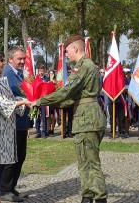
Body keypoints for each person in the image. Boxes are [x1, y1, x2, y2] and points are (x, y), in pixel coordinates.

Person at [32, 35, 107, 203]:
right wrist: (51, 104)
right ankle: (87, 196)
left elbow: (66, 91)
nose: (65, 55)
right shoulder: (89, 66)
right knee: (84, 161)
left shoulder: (83, 67)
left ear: (75, 49)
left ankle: (100, 198)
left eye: (66, 51)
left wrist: (40, 101)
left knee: (91, 162)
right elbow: (73, 97)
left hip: (87, 119)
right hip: (89, 116)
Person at [0, 49, 31, 203]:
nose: (3, 63)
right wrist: (23, 101)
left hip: (8, 127)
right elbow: (2, 104)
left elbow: (11, 98)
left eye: (3, 60)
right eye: (0, 60)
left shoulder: (1, 80)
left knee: (4, 162)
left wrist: (28, 100)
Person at [0, 45, 31, 202]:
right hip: (12, 123)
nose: (22, 61)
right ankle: (4, 189)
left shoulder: (19, 74)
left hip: (21, 122)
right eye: (19, 59)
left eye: (24, 58)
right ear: (10, 59)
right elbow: (7, 99)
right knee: (11, 157)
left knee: (20, 156)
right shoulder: (7, 74)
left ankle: (11, 187)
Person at [34, 65, 49, 138]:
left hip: (43, 101)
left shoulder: (46, 78)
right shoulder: (35, 79)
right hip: (36, 100)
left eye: (42, 71)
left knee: (43, 117)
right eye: (40, 71)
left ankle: (44, 132)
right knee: (37, 116)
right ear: (38, 71)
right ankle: (38, 132)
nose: (41, 72)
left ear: (44, 71)